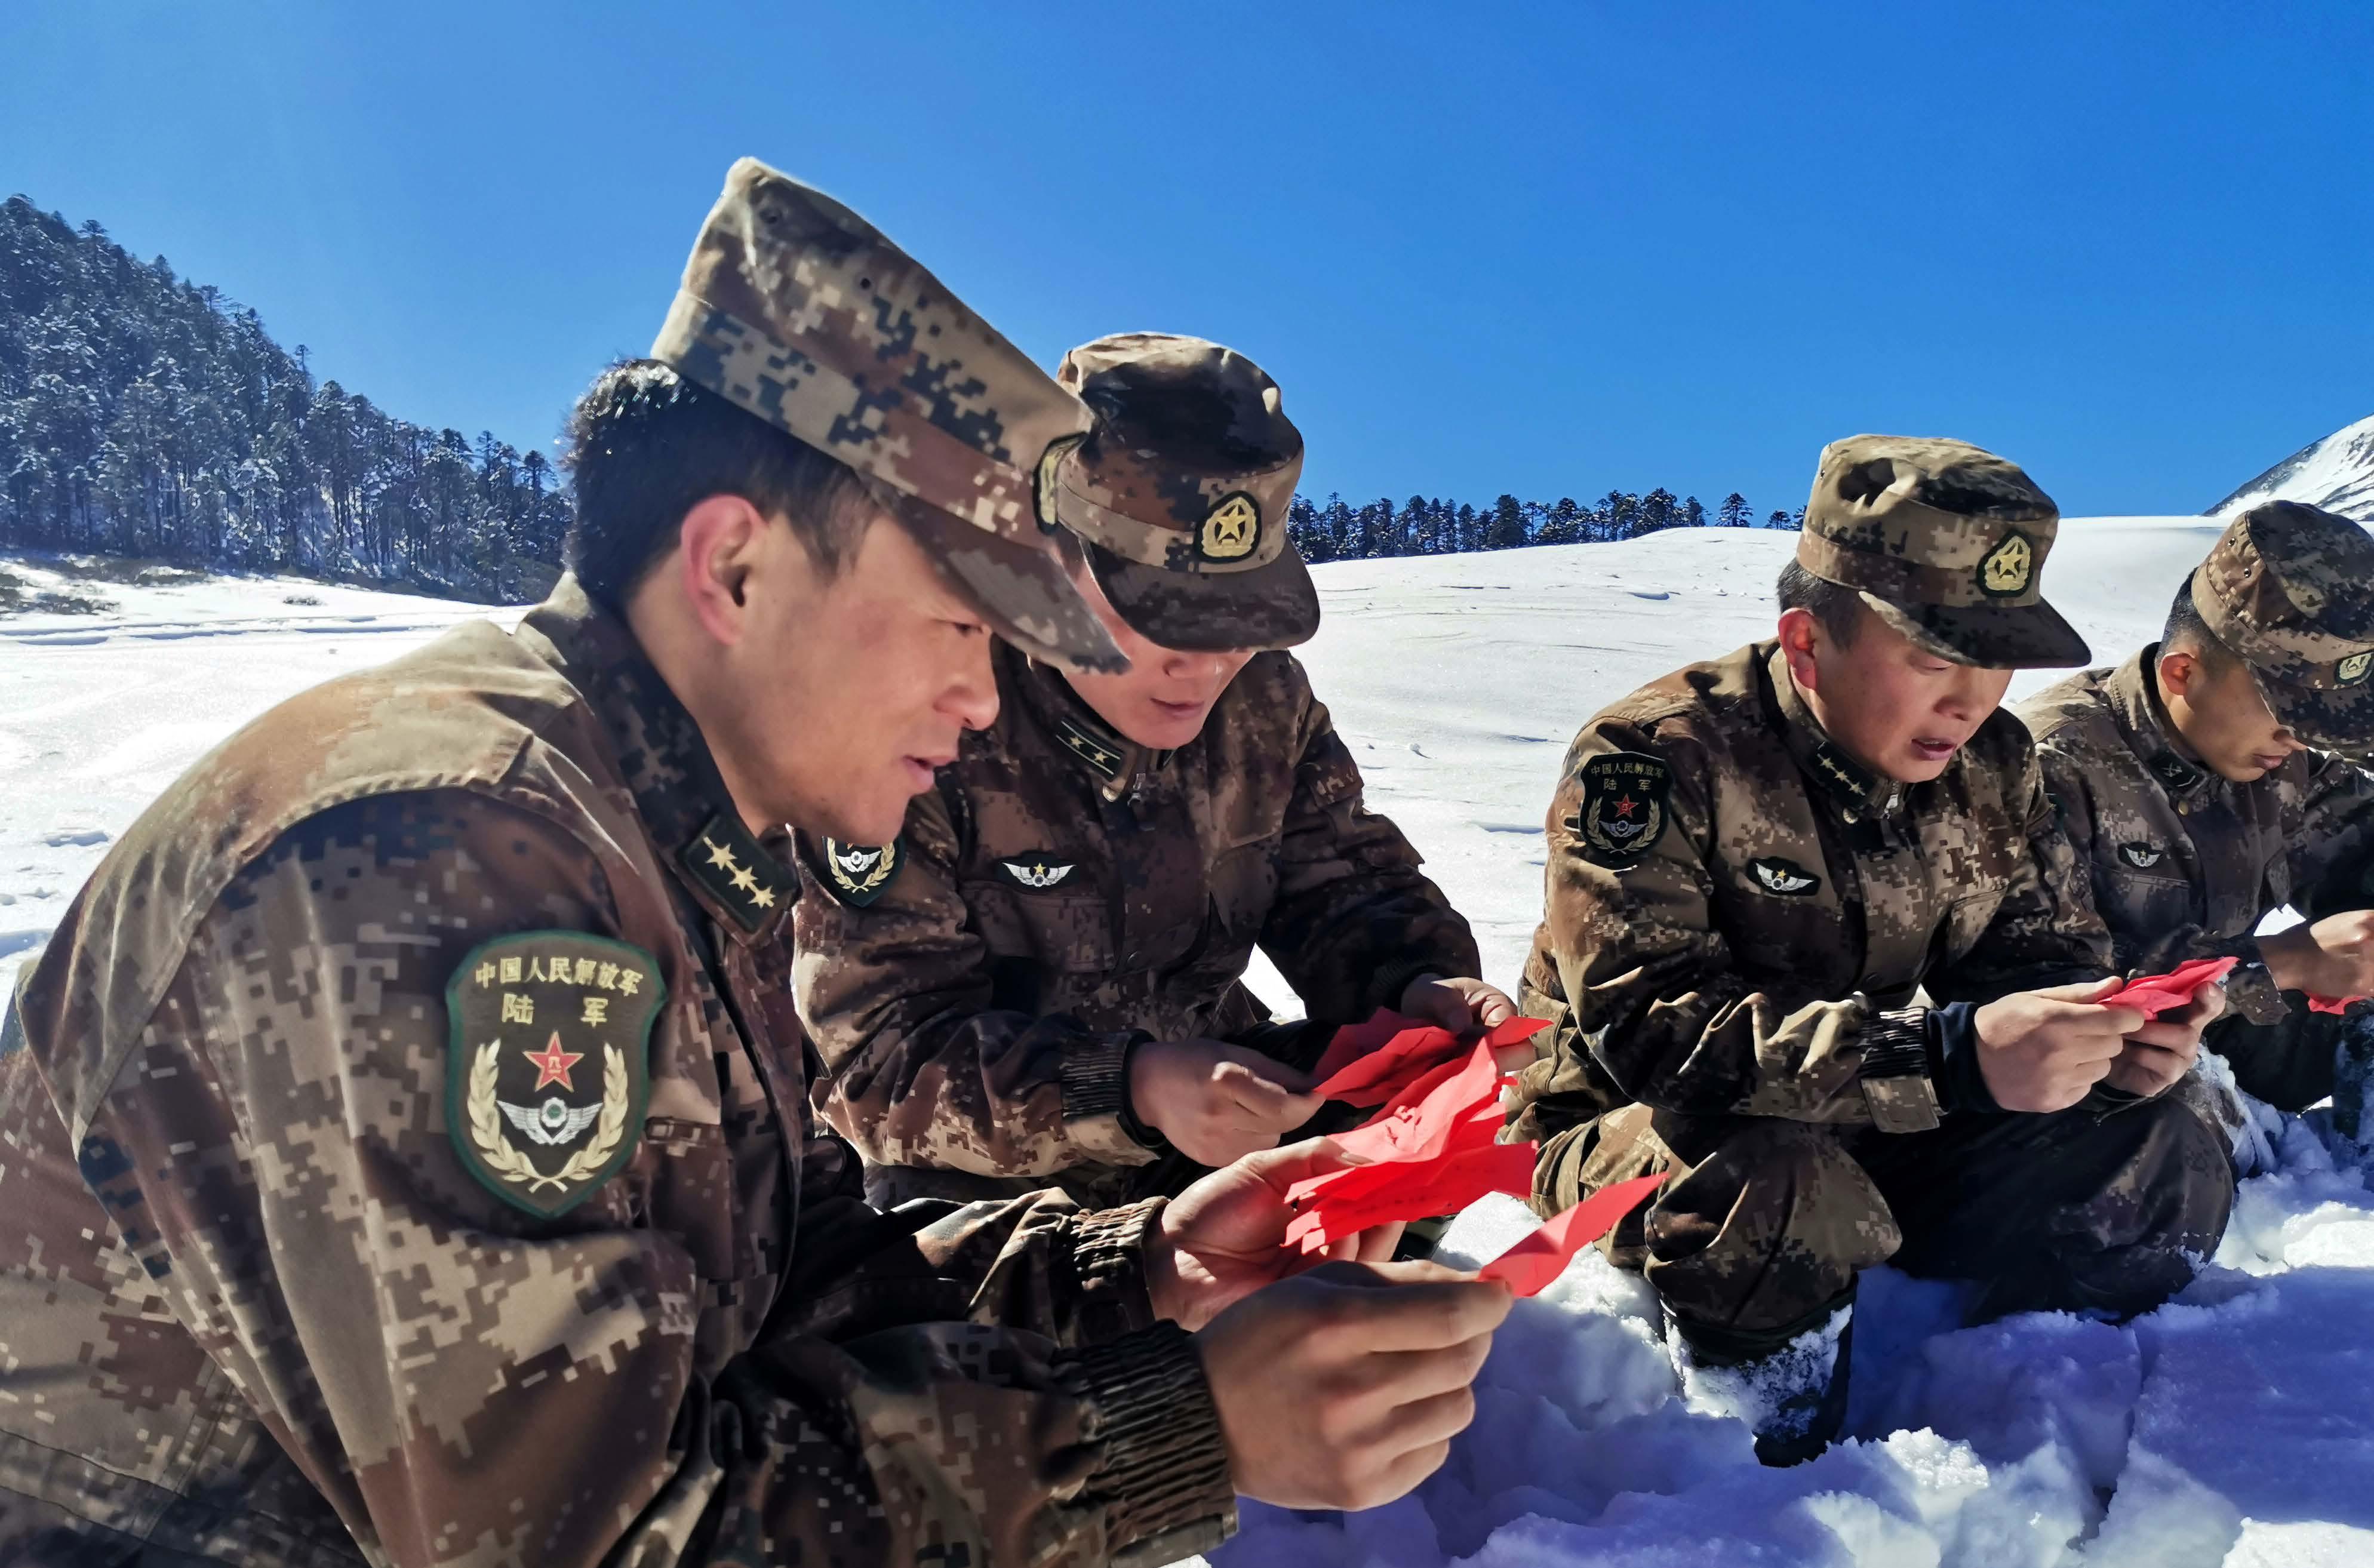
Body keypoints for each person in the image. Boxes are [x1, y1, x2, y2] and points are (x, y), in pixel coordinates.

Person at [0, 160, 1513, 1567]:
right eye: (961, 624)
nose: (989, 702)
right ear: (736, 567)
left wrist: (1144, 1273)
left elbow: (794, 1271)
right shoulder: (454, 854)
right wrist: (1175, 1434)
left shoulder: (667, 835)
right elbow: (587, 1535)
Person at [1504, 434, 2234, 1465]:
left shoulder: (1997, 764)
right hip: (1644, 1129)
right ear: (1806, 641)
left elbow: (2036, 962)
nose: (1972, 697)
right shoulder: (1657, 758)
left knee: (2161, 1142)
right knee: (1780, 1187)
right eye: (1933, 657)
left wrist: (2107, 1042)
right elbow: (1649, 1030)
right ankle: (1768, 1468)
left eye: (1996, 657)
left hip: (1876, 1115)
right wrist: (1945, 1057)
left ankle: (2024, 1409)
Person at [792, 331, 1511, 1208]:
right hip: (972, 1179)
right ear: (1044, 561)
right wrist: (1128, 1089)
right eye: (1168, 616)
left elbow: (1347, 889)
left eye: (1241, 616)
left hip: (1209, 1114)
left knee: (1415, 1117)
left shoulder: (1265, 705)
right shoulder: (917, 713)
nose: (1209, 663)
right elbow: (881, 1065)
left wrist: (1420, 986)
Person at [2016, 500, 2374, 1137]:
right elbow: (2048, 1002)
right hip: (2107, 1091)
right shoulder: (2050, 763)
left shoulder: (2280, 760)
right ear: (2183, 671)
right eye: (2283, 708)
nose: (2298, 738)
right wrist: (2284, 962)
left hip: (2252, 1049)